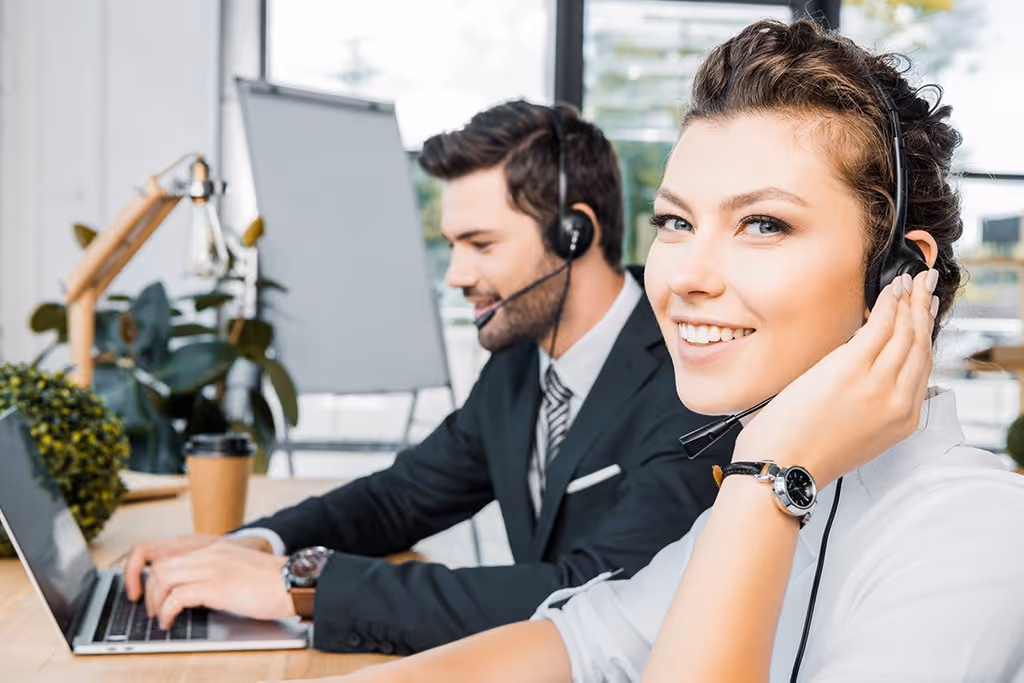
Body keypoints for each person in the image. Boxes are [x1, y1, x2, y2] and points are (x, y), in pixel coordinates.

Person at [289, 18, 1024, 682]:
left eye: (763, 223)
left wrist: (769, 474)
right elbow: (574, 645)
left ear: (897, 273)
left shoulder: (973, 535)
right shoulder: (780, 497)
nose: (684, 280)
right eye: (675, 221)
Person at [122, 100, 736, 655]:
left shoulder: (690, 373)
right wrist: (255, 547)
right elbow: (401, 497)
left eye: (481, 245)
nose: (455, 276)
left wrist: (301, 586)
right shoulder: (520, 364)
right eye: (452, 246)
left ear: (573, 235)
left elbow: (593, 593)